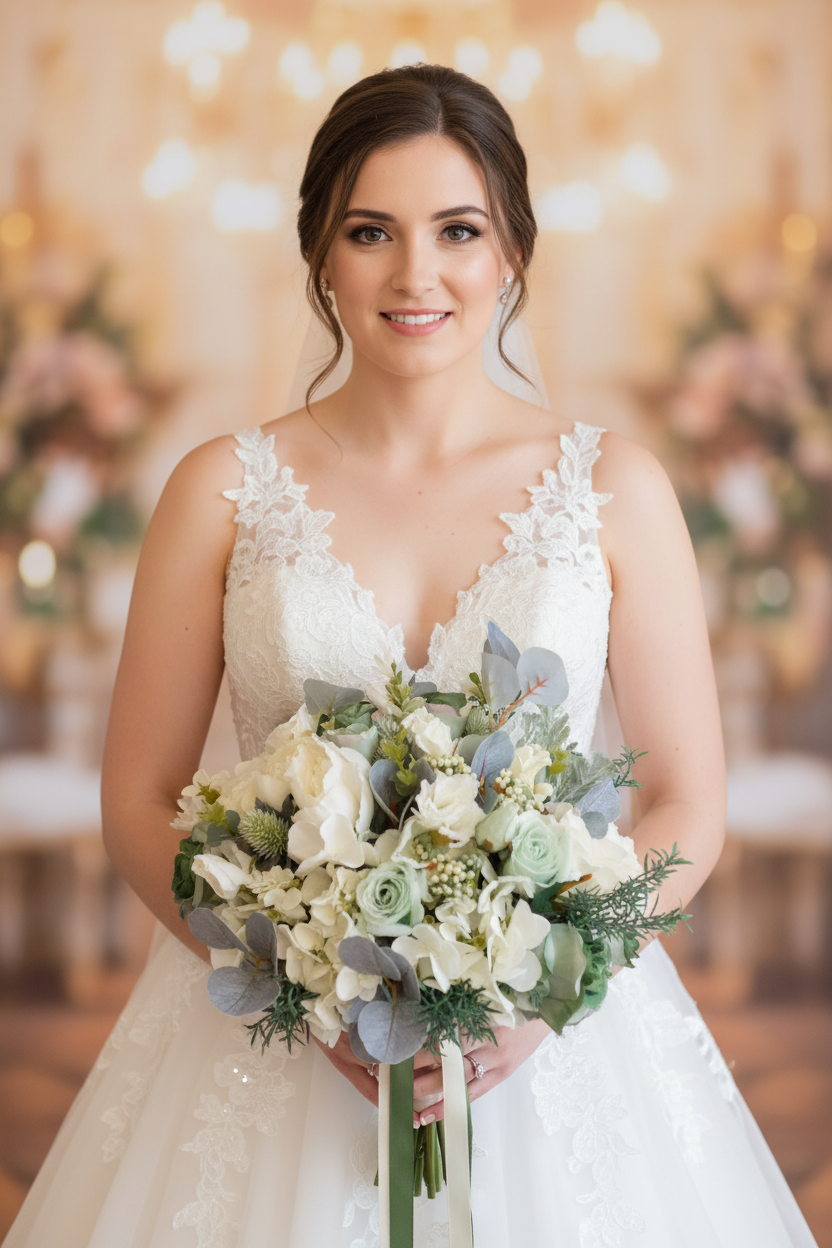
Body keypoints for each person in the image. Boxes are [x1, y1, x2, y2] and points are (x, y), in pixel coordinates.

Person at [4, 64, 817, 1248]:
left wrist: (544, 999)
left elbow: (689, 803)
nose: (414, 273)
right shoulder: (219, 492)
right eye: (369, 231)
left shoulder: (614, 491)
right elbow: (135, 799)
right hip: (272, 1046)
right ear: (321, 257)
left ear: (513, 255)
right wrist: (300, 982)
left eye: (457, 230)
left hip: (556, 1047)